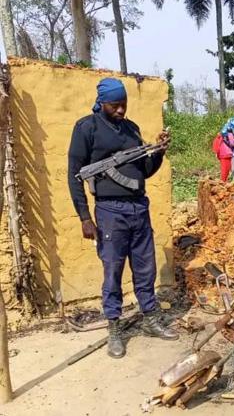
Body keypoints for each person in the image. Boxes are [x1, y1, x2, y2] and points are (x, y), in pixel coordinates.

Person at [68, 77, 179, 359]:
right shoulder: (87, 128)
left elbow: (145, 170)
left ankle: (150, 318)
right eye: (115, 105)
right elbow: (74, 176)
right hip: (109, 211)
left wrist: (160, 152)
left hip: (138, 208)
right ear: (102, 103)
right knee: (113, 270)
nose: (120, 110)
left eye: (124, 105)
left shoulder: (132, 129)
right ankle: (114, 327)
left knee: (146, 268)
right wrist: (84, 216)